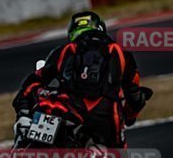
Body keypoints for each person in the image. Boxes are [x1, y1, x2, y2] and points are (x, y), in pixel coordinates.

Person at [12, 11, 148, 150]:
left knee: (37, 112)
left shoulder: (64, 51)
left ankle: (22, 143)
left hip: (67, 106)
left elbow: (34, 81)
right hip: (105, 114)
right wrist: (130, 117)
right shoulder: (121, 53)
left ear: (72, 33)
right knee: (117, 153)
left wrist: (23, 110)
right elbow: (134, 93)